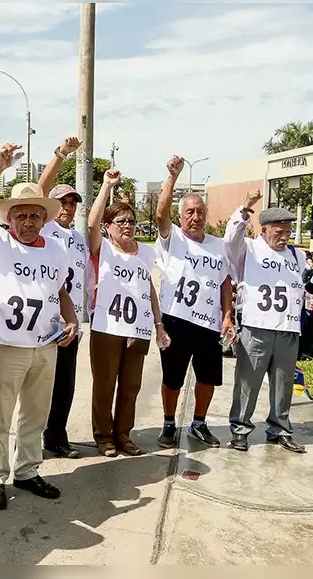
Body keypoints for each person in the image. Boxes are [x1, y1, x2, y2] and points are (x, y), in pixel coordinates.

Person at [0, 142, 78, 511]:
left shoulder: (57, 250)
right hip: (4, 345)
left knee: (34, 414)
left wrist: (72, 318)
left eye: (34, 215)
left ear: (43, 218)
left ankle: (27, 471)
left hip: (44, 345)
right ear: (9, 218)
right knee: (0, 417)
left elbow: (60, 290)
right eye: (20, 216)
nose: (27, 222)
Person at [154, 155, 235, 449]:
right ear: (181, 215)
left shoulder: (219, 246)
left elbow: (226, 282)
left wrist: (228, 315)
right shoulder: (173, 237)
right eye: (189, 211)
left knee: (208, 378)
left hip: (209, 323)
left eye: (200, 211)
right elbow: (161, 213)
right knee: (172, 378)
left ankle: (199, 423)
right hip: (176, 320)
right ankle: (168, 422)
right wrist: (172, 177)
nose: (195, 217)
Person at [88, 169, 170, 457]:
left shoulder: (146, 254)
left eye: (132, 221)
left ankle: (123, 434)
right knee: (105, 385)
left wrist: (159, 324)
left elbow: (149, 291)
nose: (128, 226)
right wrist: (107, 186)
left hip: (137, 329)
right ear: (109, 225)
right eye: (121, 221)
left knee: (131, 386)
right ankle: (103, 435)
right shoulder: (103, 250)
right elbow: (91, 223)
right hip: (107, 328)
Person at [224, 191, 307, 453]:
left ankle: (280, 429)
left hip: (288, 327)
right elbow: (231, 237)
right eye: (280, 230)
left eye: (289, 230)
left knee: (283, 384)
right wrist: (245, 207)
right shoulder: (248, 248)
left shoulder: (297, 255)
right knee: (248, 382)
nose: (285, 235)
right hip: (257, 326)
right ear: (265, 229)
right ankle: (240, 429)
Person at [37, 136, 87, 459]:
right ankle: (32, 439)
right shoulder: (43, 228)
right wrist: (61, 154)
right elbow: (41, 189)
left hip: (72, 325)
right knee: (41, 387)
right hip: (45, 323)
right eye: (63, 202)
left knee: (66, 385)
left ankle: (57, 436)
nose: (68, 207)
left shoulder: (78, 238)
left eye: (72, 203)